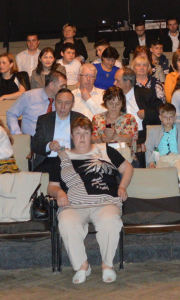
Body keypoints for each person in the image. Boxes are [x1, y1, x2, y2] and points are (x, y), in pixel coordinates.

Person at [49, 115, 133, 284]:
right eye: (77, 133)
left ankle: (107, 265)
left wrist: (123, 187)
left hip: (106, 202)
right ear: (72, 136)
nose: (82, 137)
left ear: (91, 135)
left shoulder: (105, 150)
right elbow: (51, 186)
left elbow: (128, 168)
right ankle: (82, 266)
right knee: (66, 222)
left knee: (110, 220)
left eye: (86, 133)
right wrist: (60, 193)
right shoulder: (62, 156)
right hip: (73, 204)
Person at [145, 104, 180, 186]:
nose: (168, 120)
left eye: (171, 117)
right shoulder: (154, 132)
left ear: (175, 117)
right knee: (161, 176)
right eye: (165, 117)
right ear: (160, 118)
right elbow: (148, 148)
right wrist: (151, 162)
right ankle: (166, 191)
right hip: (163, 158)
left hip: (179, 157)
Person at [31, 88, 77, 173]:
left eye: (67, 103)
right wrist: (49, 146)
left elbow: (86, 144)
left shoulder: (79, 120)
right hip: (49, 160)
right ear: (54, 102)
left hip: (72, 160)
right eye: (59, 102)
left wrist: (72, 152)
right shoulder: (44, 120)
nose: (63, 107)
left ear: (72, 104)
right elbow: (35, 144)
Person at [7, 71, 66, 136]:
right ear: (51, 85)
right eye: (62, 86)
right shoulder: (29, 96)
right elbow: (11, 114)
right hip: (30, 138)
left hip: (53, 139)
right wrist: (17, 133)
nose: (64, 89)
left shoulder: (63, 101)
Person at [113, 66, 163, 140]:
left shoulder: (146, 94)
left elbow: (162, 111)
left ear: (128, 82)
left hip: (144, 136)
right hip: (122, 137)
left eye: (117, 80)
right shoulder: (114, 97)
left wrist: (146, 113)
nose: (114, 83)